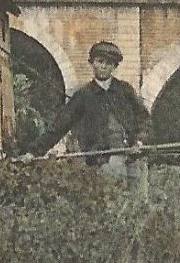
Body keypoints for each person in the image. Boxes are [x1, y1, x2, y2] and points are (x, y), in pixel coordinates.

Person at [23, 40, 150, 187]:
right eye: (100, 61)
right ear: (92, 63)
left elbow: (144, 118)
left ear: (114, 67)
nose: (103, 66)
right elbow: (59, 126)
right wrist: (34, 152)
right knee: (113, 204)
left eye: (109, 63)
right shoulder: (84, 95)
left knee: (140, 205)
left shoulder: (125, 90)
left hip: (134, 158)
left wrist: (139, 141)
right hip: (103, 162)